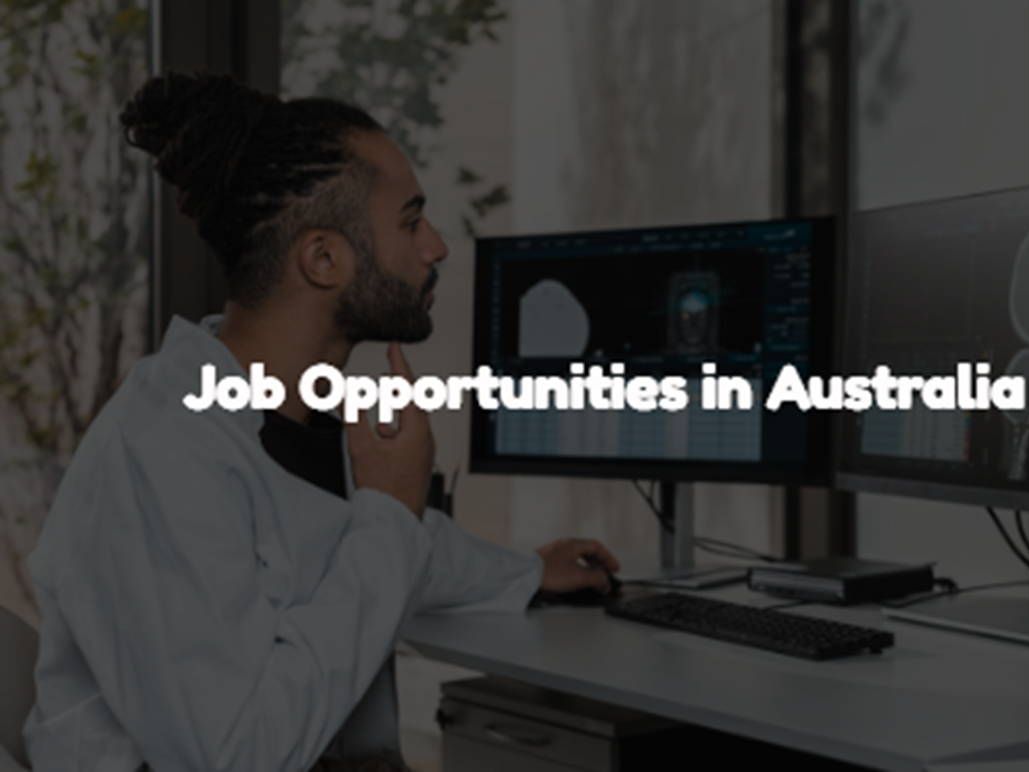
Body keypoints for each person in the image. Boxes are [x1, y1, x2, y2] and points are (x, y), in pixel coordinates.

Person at [23, 71, 619, 772]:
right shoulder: (161, 449)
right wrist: (392, 510)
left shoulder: (295, 418)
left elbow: (355, 545)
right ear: (323, 258)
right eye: (409, 221)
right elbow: (235, 758)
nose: (436, 247)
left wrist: (524, 570)